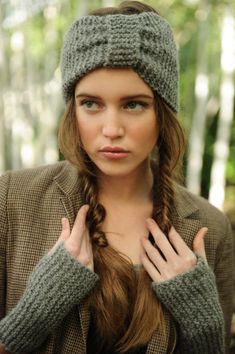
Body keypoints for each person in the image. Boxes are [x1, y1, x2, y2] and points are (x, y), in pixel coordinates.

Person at [0, 1, 233, 353]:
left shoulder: (210, 229)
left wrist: (205, 331)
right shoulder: (10, 199)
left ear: (163, 111)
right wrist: (33, 316)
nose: (111, 129)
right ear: (72, 109)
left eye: (133, 104)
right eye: (90, 103)